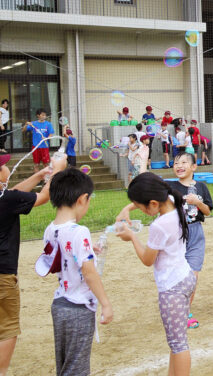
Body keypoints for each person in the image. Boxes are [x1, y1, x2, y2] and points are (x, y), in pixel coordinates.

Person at [118, 152, 212, 329]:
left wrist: (198, 203)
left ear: (194, 167)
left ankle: (185, 313)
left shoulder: (201, 187)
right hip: (177, 233)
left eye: (184, 162)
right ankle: (180, 311)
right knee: (180, 273)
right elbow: (148, 197)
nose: (179, 165)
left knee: (193, 276)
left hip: (195, 233)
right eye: (176, 162)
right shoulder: (170, 186)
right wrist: (127, 207)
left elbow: (207, 211)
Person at [116, 172, 195, 376]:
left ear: (152, 203)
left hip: (172, 288)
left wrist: (132, 236)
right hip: (185, 277)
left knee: (178, 344)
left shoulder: (159, 225)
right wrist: (128, 207)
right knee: (176, 341)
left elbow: (147, 260)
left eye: (140, 207)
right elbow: (152, 194)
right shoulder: (173, 201)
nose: (140, 210)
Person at [41, 168, 113, 375]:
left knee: (65, 364)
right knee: (76, 369)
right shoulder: (79, 231)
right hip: (79, 308)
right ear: (83, 199)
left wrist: (88, 247)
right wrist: (106, 304)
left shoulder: (50, 229)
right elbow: (89, 273)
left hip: (60, 305)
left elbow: (61, 253)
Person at [0, 152, 66, 375]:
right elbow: (43, 198)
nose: (8, 167)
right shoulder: (7, 200)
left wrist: (39, 175)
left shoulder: (5, 198)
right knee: (7, 328)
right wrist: (57, 170)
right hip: (2, 274)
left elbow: (12, 193)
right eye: (4, 166)